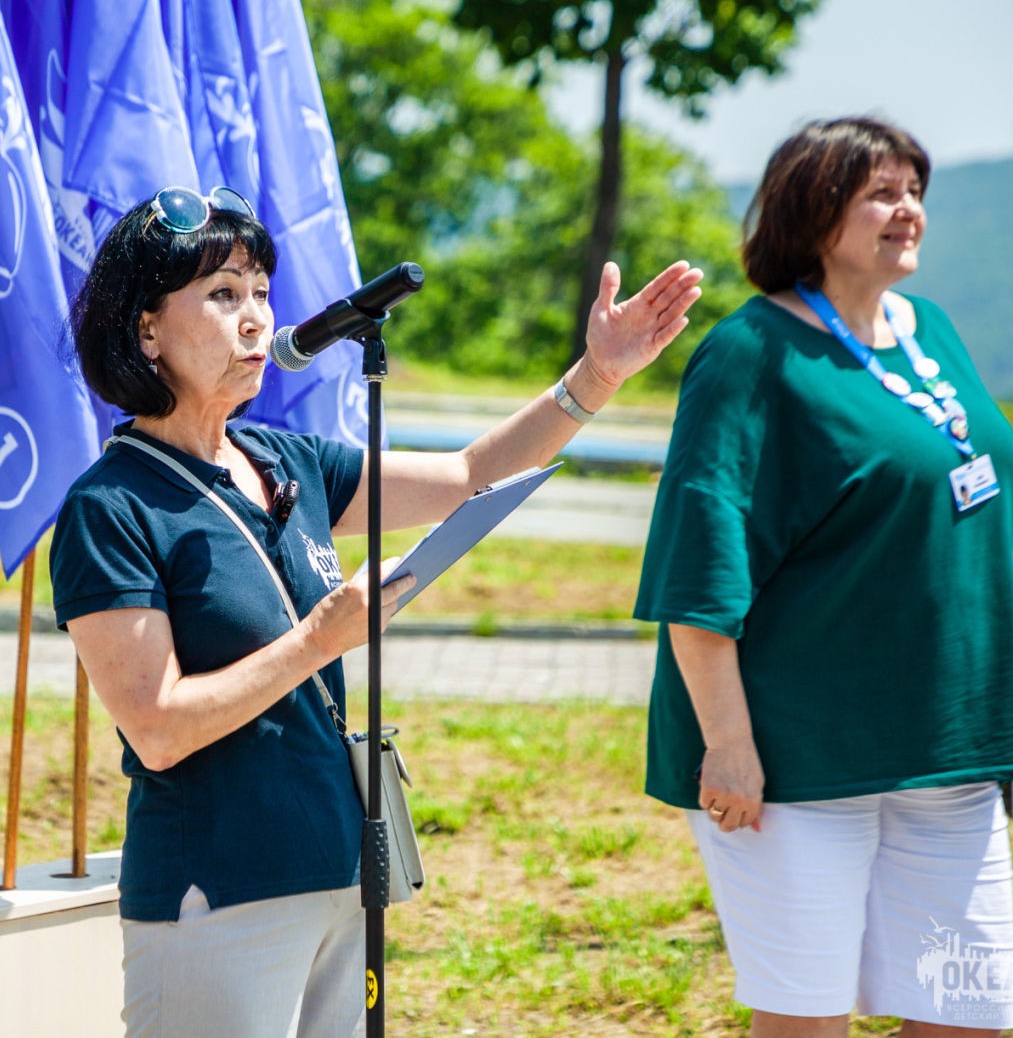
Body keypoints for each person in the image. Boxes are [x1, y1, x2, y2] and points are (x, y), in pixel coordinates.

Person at [49, 183, 701, 1037]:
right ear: (146, 330)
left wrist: (597, 375)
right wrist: (322, 638)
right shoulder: (111, 506)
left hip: (337, 865)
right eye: (223, 294)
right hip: (216, 886)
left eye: (260, 291)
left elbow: (470, 475)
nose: (256, 319)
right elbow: (158, 727)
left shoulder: (286, 461)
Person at [634, 118, 1013, 1037]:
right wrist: (728, 743)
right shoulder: (750, 354)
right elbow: (701, 564)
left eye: (915, 191)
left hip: (948, 746)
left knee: (968, 1014)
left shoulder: (932, 331)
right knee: (806, 1019)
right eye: (881, 194)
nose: (909, 211)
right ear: (814, 210)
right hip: (798, 757)